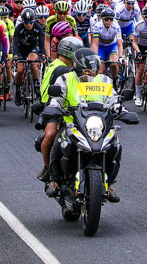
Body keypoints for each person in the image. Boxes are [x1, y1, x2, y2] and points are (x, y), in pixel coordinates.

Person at [45, 47, 122, 202]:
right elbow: (57, 97)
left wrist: (121, 109)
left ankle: (109, 183)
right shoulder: (66, 79)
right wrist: (54, 107)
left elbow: (114, 100)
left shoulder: (105, 80)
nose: (90, 74)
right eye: (86, 71)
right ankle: (53, 179)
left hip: (99, 125)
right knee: (58, 142)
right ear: (78, 68)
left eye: (92, 71)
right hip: (72, 123)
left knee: (116, 145)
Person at [37, 37, 83, 194]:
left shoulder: (59, 64)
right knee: (52, 135)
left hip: (60, 105)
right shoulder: (63, 69)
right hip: (53, 106)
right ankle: (48, 171)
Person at [13, 8, 45, 104]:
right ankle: (18, 90)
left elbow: (42, 42)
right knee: (20, 70)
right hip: (20, 49)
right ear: (23, 21)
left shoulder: (37, 27)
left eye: (30, 22)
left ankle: (36, 84)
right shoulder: (19, 28)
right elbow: (15, 43)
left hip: (32, 48)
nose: (28, 25)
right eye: (26, 22)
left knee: (33, 63)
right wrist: (14, 56)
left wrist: (43, 54)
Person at [90, 8, 123, 81]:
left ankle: (114, 79)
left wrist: (120, 57)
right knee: (101, 71)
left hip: (112, 46)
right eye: (106, 19)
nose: (109, 21)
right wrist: (95, 56)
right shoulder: (97, 26)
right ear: (102, 19)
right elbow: (95, 44)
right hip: (101, 47)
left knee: (114, 64)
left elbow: (119, 43)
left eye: (111, 19)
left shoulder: (116, 26)